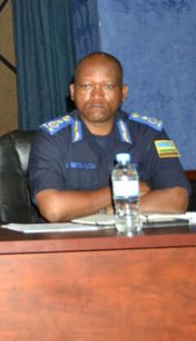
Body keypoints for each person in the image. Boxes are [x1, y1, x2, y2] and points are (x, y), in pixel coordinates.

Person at [28, 52, 190, 222]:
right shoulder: (51, 138)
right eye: (86, 86)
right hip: (70, 244)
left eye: (107, 86)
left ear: (123, 92)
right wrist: (121, 191)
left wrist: (110, 211)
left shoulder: (149, 134)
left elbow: (177, 199)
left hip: (133, 241)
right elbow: (54, 209)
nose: (96, 96)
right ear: (73, 91)